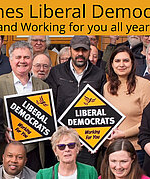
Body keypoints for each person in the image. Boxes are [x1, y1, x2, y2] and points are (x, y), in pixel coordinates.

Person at [46, 36, 106, 167]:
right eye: (76, 50)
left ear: (89, 51)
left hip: (88, 139)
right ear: (70, 50)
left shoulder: (99, 74)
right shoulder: (56, 72)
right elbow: (49, 105)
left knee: (86, 172)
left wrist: (96, 138)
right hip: (61, 137)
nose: (80, 54)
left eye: (83, 50)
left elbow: (103, 108)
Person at [0, 41, 49, 172]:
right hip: (6, 152)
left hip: (34, 152)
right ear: (10, 61)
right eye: (18, 57)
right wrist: (2, 129)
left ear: (32, 60)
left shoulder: (43, 86)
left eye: (26, 57)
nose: (22, 61)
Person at [104, 46, 150, 166]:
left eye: (126, 60)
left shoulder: (144, 85)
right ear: (111, 64)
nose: (121, 64)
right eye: (117, 61)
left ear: (132, 63)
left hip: (135, 149)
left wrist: (124, 134)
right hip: (111, 149)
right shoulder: (106, 87)